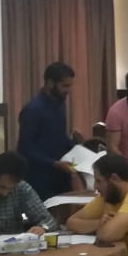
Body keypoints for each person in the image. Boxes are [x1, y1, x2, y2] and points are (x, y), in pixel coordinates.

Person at [17, 61, 77, 199]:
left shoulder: (60, 103)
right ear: (50, 83)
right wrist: (53, 164)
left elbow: (59, 136)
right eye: (64, 86)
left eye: (70, 86)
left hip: (61, 174)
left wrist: (77, 148)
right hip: (40, 177)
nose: (68, 90)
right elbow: (25, 149)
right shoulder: (33, 110)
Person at [0, 152, 58, 238]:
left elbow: (49, 220)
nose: (5, 193)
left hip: (13, 248)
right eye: (1, 187)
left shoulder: (22, 188)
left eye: (11, 189)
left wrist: (42, 228)